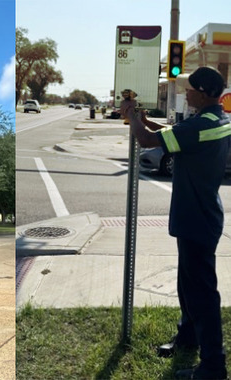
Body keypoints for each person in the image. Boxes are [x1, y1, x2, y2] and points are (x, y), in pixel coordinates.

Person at [120, 66, 229, 380]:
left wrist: (131, 116)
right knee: (187, 285)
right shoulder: (212, 120)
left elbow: (148, 140)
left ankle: (213, 366)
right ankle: (187, 336)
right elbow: (167, 137)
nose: (186, 92)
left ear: (206, 93)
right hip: (200, 216)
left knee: (203, 294)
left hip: (197, 219)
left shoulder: (199, 127)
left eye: (190, 88)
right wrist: (141, 117)